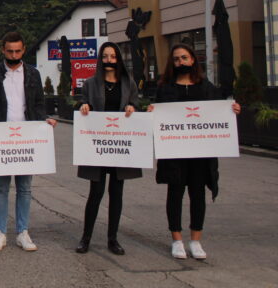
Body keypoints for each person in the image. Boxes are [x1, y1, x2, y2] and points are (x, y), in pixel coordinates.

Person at [148, 43, 240, 260]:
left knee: (198, 194)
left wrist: (233, 110)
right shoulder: (165, 88)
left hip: (201, 153)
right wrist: (152, 112)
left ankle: (196, 240)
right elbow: (157, 119)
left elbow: (220, 111)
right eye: (177, 59)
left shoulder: (206, 87)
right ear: (173, 63)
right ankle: (177, 239)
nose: (181, 62)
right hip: (175, 152)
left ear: (192, 61)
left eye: (184, 58)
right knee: (175, 193)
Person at [0, 31, 57, 252]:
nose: (13, 54)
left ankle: (22, 232)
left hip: (26, 137)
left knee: (25, 188)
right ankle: (0, 232)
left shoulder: (33, 74)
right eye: (9, 51)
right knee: (0, 187)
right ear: (3, 50)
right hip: (1, 137)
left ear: (23, 49)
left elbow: (39, 104)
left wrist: (45, 119)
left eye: (18, 51)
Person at [75, 42, 140, 255]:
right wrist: (85, 106)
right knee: (96, 191)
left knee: (117, 192)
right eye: (105, 56)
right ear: (100, 59)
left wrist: (132, 108)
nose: (109, 60)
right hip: (98, 146)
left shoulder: (128, 83)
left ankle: (113, 239)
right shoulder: (91, 84)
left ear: (118, 59)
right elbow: (84, 104)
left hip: (120, 146)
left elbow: (135, 105)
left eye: (113, 56)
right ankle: (86, 238)